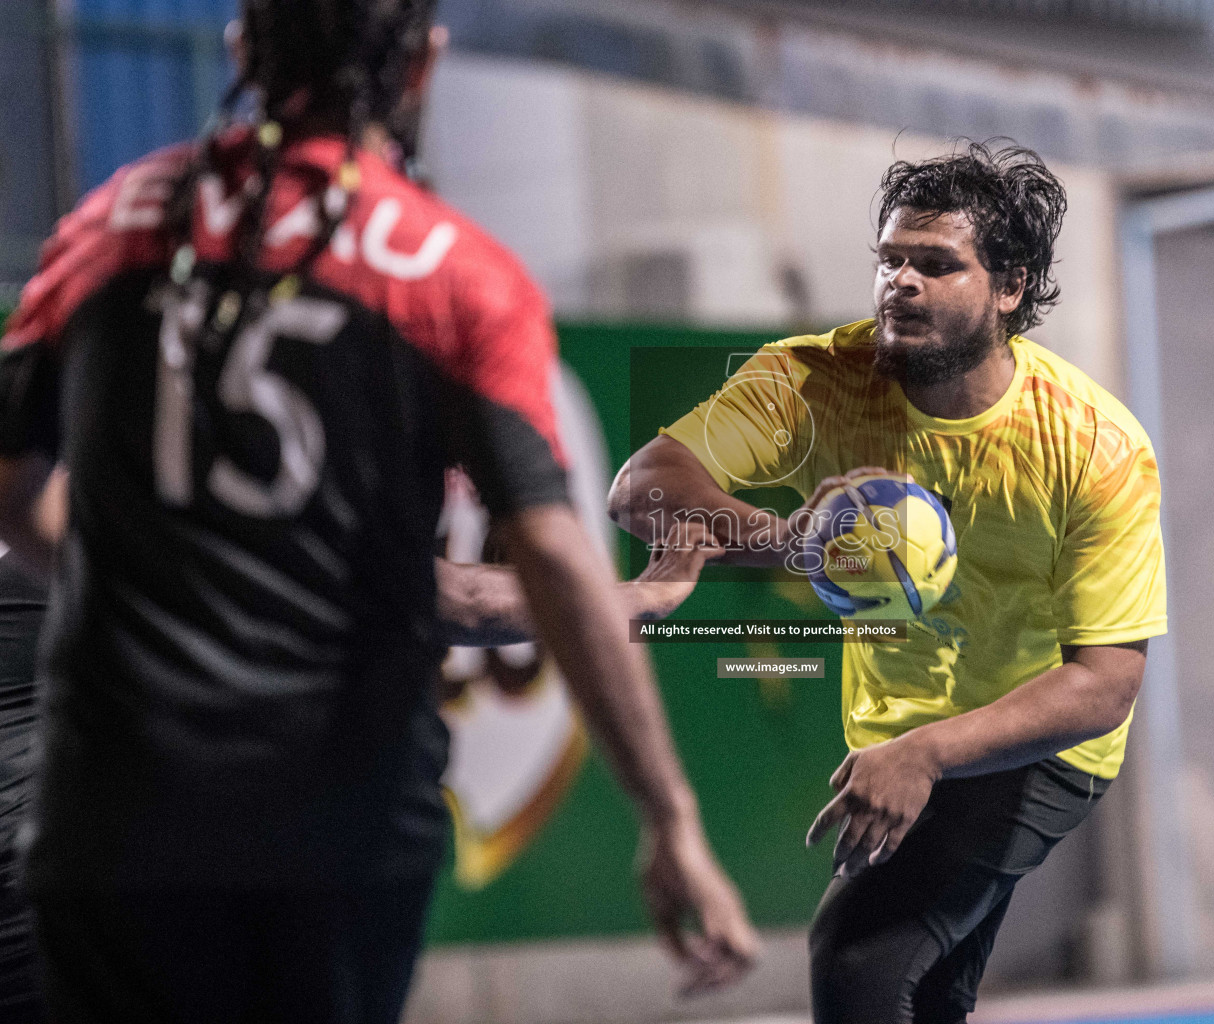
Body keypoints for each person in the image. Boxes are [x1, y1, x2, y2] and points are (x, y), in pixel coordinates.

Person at [0, 1, 755, 1019]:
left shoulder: (110, 227)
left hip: (115, 815)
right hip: (332, 818)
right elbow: (545, 549)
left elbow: (15, 488)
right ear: (422, 66)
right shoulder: (452, 272)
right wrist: (669, 815)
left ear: (241, 52)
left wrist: (148, 571)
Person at [610, 141, 1166, 1023]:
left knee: (860, 960)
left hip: (1036, 746)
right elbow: (641, 490)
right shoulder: (816, 379)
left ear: (1009, 287)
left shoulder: (1096, 447)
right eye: (890, 259)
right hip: (895, 737)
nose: (899, 282)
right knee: (924, 993)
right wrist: (793, 542)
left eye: (936, 264)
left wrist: (930, 753)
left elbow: (1106, 683)